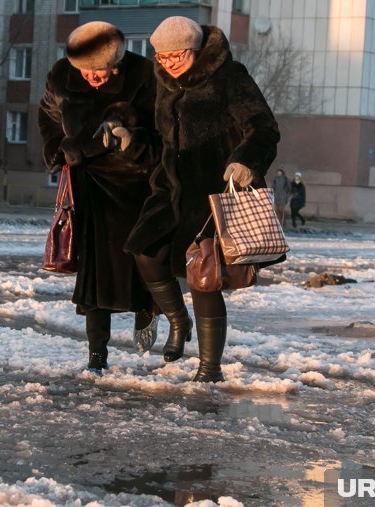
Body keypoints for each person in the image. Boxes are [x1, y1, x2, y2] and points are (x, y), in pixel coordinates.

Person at [125, 16, 280, 382]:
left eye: (177, 55)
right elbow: (158, 139)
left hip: (213, 192)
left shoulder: (229, 76)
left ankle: (210, 369)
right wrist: (131, 141)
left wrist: (246, 161)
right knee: (144, 250)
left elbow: (264, 127)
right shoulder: (163, 83)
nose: (169, 63)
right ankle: (179, 321)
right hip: (169, 189)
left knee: (204, 277)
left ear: (196, 50)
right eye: (162, 58)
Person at [38, 21, 161, 374]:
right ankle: (96, 353)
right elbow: (47, 115)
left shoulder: (143, 75)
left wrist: (130, 141)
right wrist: (57, 149)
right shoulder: (62, 76)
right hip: (88, 185)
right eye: (86, 71)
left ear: (117, 62)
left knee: (140, 262)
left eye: (100, 70)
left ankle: (145, 315)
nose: (93, 76)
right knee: (94, 272)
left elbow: (159, 130)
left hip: (135, 183)